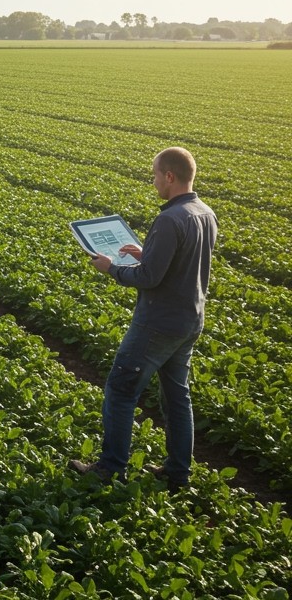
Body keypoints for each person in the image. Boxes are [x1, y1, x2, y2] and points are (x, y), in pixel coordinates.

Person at [70, 147, 217, 491]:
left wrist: (112, 269)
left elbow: (149, 277)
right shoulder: (204, 212)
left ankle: (110, 467)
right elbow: (180, 261)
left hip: (158, 323)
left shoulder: (168, 219)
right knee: (176, 396)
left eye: (154, 175)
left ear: (169, 176)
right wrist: (146, 251)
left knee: (120, 391)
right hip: (189, 320)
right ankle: (178, 472)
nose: (153, 182)